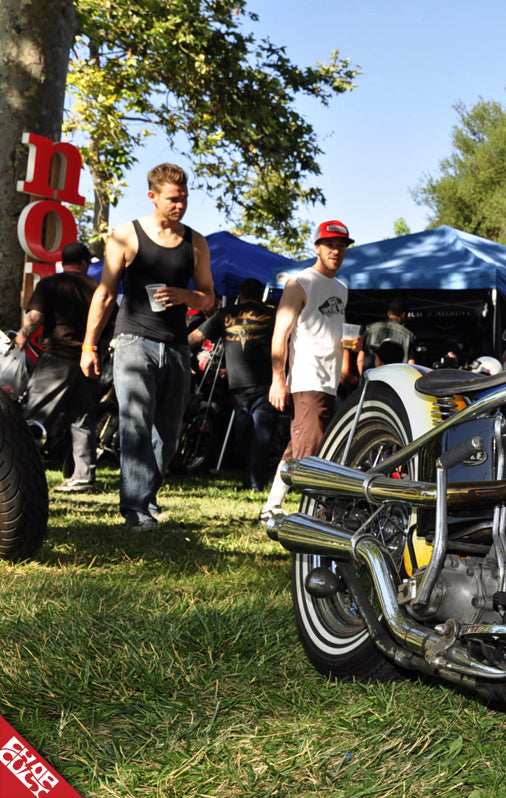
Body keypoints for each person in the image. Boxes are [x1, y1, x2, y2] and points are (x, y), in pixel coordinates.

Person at [81, 162, 216, 532]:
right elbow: (105, 294)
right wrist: (89, 346)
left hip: (176, 347)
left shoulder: (196, 243)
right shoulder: (126, 235)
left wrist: (186, 296)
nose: (180, 205)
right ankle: (135, 510)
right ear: (152, 196)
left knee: (168, 433)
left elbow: (209, 299)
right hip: (133, 341)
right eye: (172, 199)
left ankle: (148, 499)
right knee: (135, 424)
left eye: (184, 198)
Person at [260, 220, 351, 521]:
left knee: (298, 446)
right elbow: (280, 334)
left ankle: (272, 506)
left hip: (329, 380)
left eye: (341, 245)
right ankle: (319, 513)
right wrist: (277, 380)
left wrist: (350, 350)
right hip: (307, 378)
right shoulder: (300, 283)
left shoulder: (341, 288)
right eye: (330, 245)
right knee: (312, 450)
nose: (336, 251)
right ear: (317, 248)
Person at [16, 242, 106, 492]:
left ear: (63, 262)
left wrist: (22, 335)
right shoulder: (96, 288)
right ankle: (83, 477)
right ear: (85, 263)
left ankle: (18, 469)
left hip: (58, 357)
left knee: (35, 415)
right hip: (88, 360)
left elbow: (35, 317)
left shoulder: (50, 284)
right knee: (83, 417)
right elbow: (111, 321)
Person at [189, 278, 277, 490]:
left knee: (244, 434)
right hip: (266, 381)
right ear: (262, 295)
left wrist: (179, 350)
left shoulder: (226, 313)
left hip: (238, 383)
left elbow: (196, 337)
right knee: (261, 433)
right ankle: (256, 479)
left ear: (241, 295)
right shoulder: (273, 315)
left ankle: (254, 481)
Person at [358, 297, 414, 372]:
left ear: (389, 313)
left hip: (371, 377)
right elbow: (411, 365)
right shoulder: (408, 336)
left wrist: (364, 377)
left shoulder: (370, 329)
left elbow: (360, 360)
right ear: (403, 315)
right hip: (395, 378)